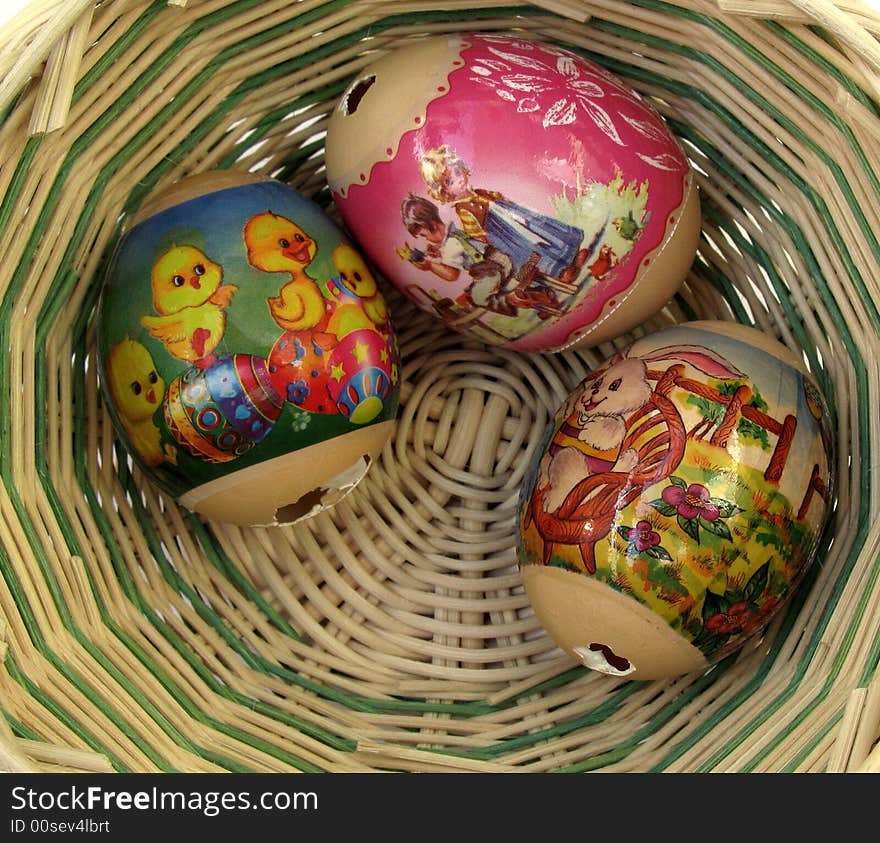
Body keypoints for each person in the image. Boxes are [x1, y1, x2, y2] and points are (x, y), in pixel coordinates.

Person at [418, 145, 588, 286]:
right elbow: (476, 233)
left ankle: (569, 253)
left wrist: (505, 201)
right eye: (449, 181)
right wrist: (493, 242)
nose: (458, 179)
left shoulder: (477, 193)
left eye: (457, 172)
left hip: (512, 217)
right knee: (529, 249)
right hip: (501, 232)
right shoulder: (463, 209)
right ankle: (559, 270)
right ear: (443, 190)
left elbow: (495, 196)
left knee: (540, 230)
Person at [399, 193, 559, 318]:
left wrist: (429, 266)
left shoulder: (450, 246)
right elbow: (463, 249)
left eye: (424, 235)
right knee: (477, 288)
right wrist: (438, 252)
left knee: (478, 296)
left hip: (493, 269)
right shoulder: (454, 230)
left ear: (432, 225)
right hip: (500, 259)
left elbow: (452, 274)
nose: (427, 240)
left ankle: (515, 300)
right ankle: (543, 295)